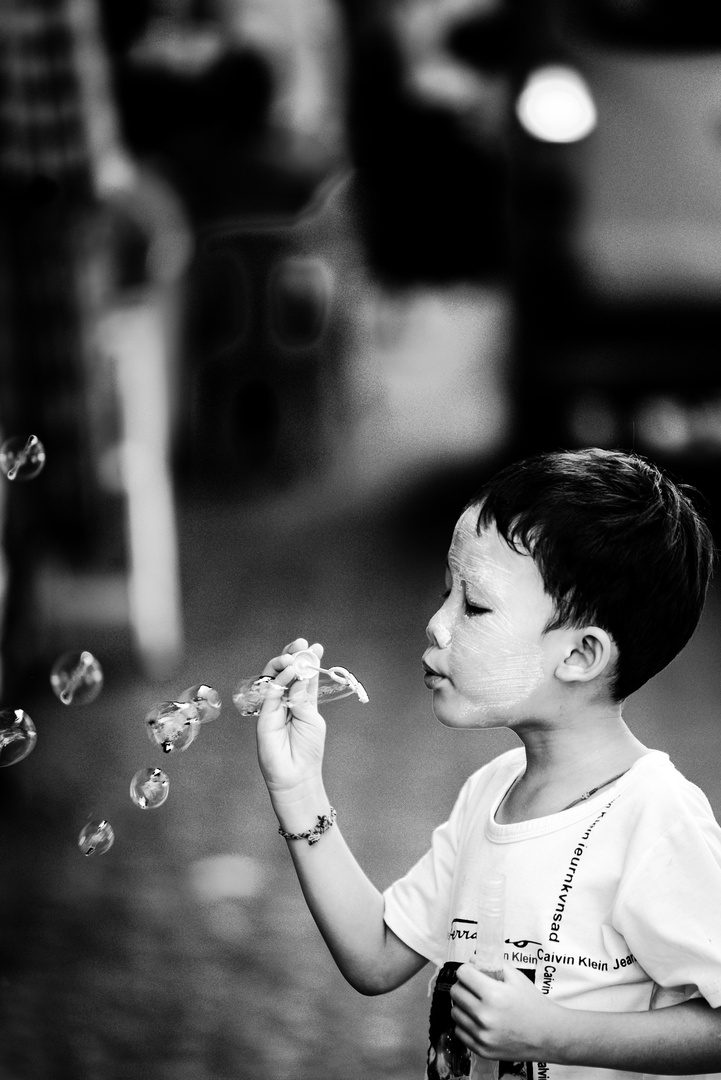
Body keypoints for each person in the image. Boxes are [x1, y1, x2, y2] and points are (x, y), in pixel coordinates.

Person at [253, 447, 721, 1079]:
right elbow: (377, 954)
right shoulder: (490, 792)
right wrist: (298, 785)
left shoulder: (655, 820)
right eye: (446, 593)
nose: (436, 625)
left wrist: (554, 1034)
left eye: (473, 606)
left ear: (581, 655)